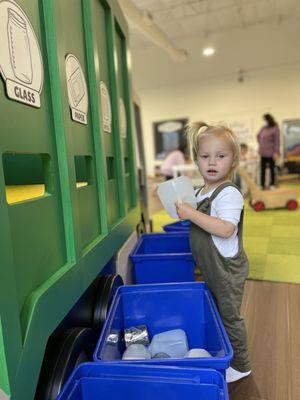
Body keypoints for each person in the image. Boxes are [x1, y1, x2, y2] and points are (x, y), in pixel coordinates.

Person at [175, 121, 251, 383]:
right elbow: (191, 215)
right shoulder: (200, 191)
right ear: (196, 159)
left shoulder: (229, 194)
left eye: (221, 156)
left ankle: (241, 365)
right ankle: (223, 351)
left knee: (230, 316)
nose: (212, 162)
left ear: (232, 161)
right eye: (205, 156)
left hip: (227, 270)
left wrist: (192, 213)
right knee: (217, 311)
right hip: (210, 268)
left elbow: (226, 229)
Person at [257, 113, 280, 189]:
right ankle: (262, 184)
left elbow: (277, 140)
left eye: (265, 120)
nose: (264, 121)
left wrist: (276, 152)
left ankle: (272, 184)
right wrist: (261, 143)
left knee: (271, 169)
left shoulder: (275, 127)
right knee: (262, 169)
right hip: (262, 152)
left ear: (269, 119)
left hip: (271, 152)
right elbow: (258, 135)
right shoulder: (263, 128)